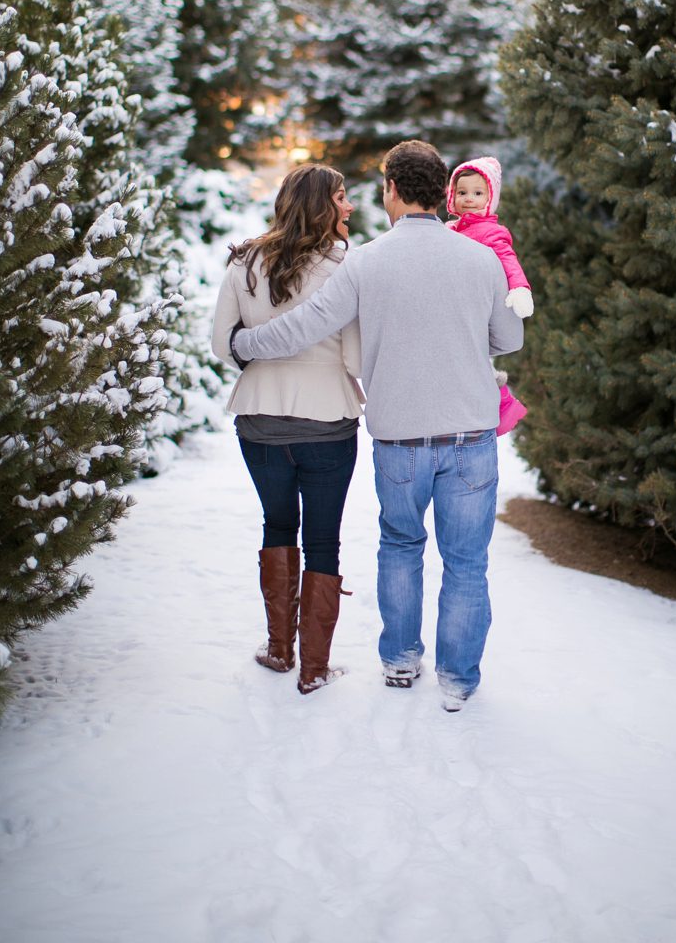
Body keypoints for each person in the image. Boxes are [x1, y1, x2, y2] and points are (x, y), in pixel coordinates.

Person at [230, 139, 525, 712]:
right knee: (467, 562)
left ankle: (399, 661)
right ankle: (459, 680)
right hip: (470, 435)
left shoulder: (366, 260)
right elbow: (509, 339)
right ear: (444, 194)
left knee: (400, 544)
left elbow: (305, 326)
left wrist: (245, 344)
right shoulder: (483, 259)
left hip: (399, 438)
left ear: (392, 190)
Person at [210, 163, 362, 695]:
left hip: (259, 416)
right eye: (343, 198)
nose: (351, 207)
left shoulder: (244, 261)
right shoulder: (347, 266)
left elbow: (220, 343)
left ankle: (279, 650)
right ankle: (314, 668)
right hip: (328, 420)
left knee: (277, 525)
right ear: (325, 205)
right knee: (324, 539)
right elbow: (355, 353)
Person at [445, 155, 533, 434]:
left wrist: (520, 288)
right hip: (456, 303)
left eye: (477, 193)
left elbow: (508, 260)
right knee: (472, 359)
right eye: (461, 192)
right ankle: (499, 400)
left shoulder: (491, 232)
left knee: (474, 358)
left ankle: (502, 402)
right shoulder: (451, 229)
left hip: (476, 306)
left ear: (489, 198)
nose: (468, 198)